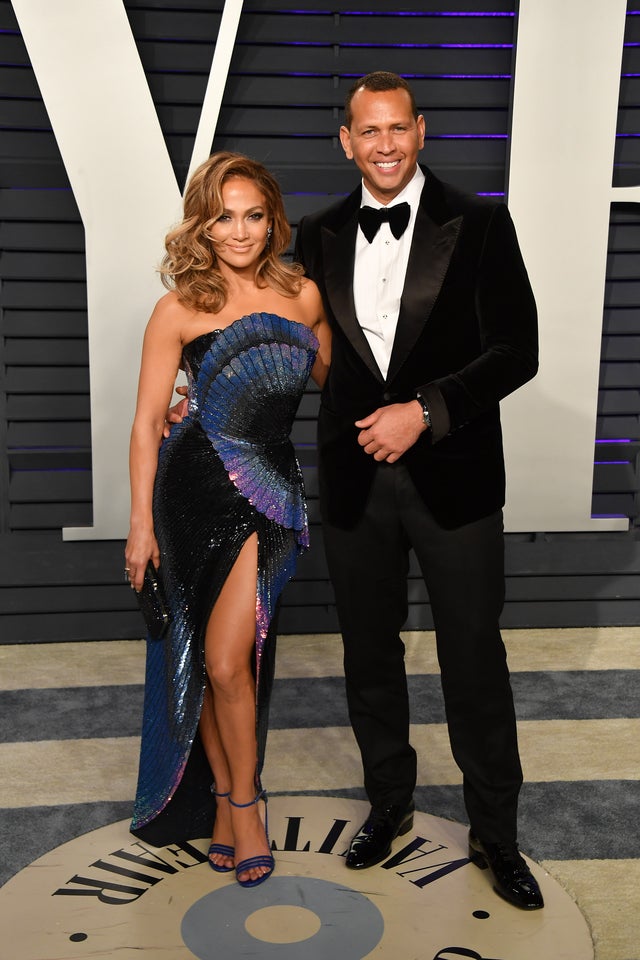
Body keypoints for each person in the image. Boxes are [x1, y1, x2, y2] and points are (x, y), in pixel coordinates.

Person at [293, 72, 543, 910]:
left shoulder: (480, 223)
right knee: (369, 658)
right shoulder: (316, 234)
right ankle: (389, 804)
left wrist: (426, 412)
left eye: (398, 128)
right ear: (346, 141)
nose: (386, 144)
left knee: (474, 659)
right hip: (355, 485)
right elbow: (276, 333)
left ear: (421, 131)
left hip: (456, 480)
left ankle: (496, 836)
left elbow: (517, 350)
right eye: (370, 131)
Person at [125, 151, 330, 888]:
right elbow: (148, 422)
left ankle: (246, 803)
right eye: (222, 217)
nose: (238, 232)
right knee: (211, 666)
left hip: (269, 498)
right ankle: (225, 801)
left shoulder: (304, 295)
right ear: (202, 226)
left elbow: (344, 388)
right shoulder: (179, 307)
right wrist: (141, 526)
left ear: (272, 219)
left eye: (252, 215)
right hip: (188, 498)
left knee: (225, 662)